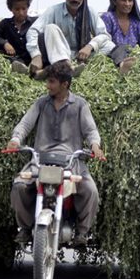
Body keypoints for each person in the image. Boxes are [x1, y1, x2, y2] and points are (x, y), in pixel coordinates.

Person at [7, 60, 104, 246]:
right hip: (40, 161)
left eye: (51, 82)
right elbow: (25, 124)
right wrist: (16, 139)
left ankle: (82, 232)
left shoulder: (80, 105)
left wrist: (95, 146)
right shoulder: (41, 103)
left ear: (64, 84)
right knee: (19, 186)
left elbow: (91, 131)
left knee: (91, 191)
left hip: (71, 163)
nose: (47, 85)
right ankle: (26, 228)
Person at [25, 0, 133, 80]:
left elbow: (104, 35)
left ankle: (121, 66)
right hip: (59, 55)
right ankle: (65, 66)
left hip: (82, 55)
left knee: (110, 44)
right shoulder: (53, 10)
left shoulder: (89, 11)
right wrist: (36, 55)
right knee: (50, 28)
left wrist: (89, 46)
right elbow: (33, 31)